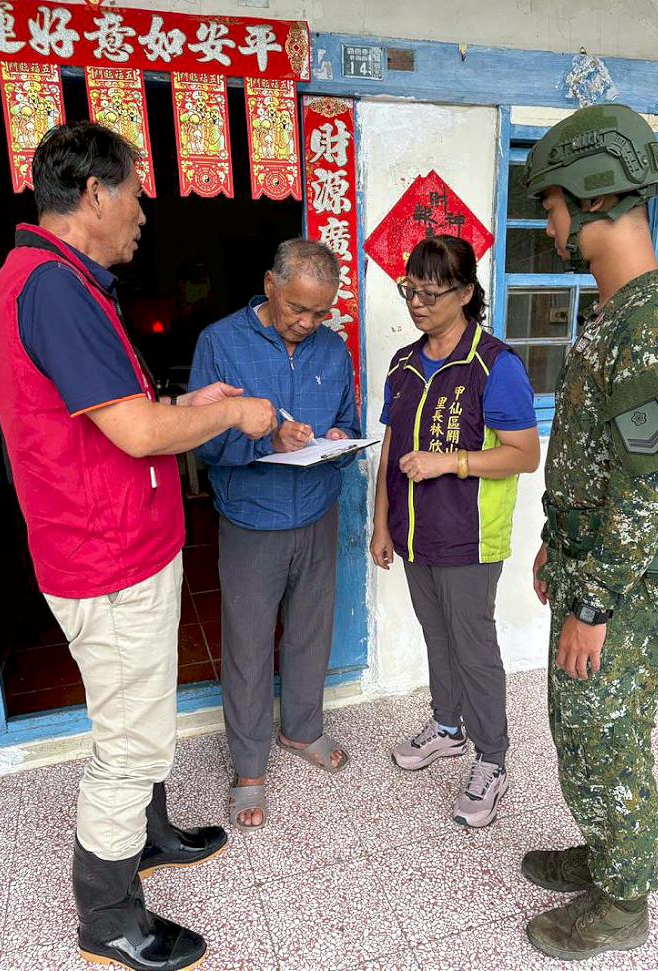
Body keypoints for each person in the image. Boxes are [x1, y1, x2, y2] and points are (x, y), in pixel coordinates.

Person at [0, 121, 277, 971]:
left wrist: (193, 401)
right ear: (95, 194)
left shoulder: (64, 281)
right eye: (135, 197)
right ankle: (109, 915)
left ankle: (148, 833)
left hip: (124, 543)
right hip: (105, 556)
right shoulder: (51, 288)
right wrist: (234, 413)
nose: (144, 216)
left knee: (144, 711)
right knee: (127, 741)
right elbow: (137, 432)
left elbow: (118, 411)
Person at [522, 104, 658, 960]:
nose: (549, 225)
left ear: (594, 195)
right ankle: (603, 850)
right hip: (593, 562)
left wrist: (592, 602)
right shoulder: (617, 315)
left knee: (609, 736)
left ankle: (624, 900)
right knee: (581, 726)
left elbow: (645, 487)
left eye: (552, 205)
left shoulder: (650, 328)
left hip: (627, 584)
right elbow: (598, 459)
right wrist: (557, 540)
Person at [189, 238, 361, 831]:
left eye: (320, 312)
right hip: (251, 520)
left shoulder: (332, 350)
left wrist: (338, 442)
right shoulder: (220, 343)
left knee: (312, 631)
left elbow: (348, 422)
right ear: (270, 284)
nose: (308, 323)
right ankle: (248, 768)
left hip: (317, 512)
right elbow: (202, 440)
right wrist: (266, 440)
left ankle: (303, 730)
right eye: (297, 308)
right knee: (248, 646)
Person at [370, 235, 539, 826]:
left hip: (469, 537)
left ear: (466, 294)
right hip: (415, 534)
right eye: (409, 290)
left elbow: (524, 455)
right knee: (437, 636)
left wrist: (451, 462)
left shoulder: (496, 365)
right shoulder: (403, 364)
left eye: (430, 292)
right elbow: (391, 448)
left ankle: (492, 758)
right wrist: (381, 523)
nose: (416, 303)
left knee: (473, 648)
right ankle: (447, 728)